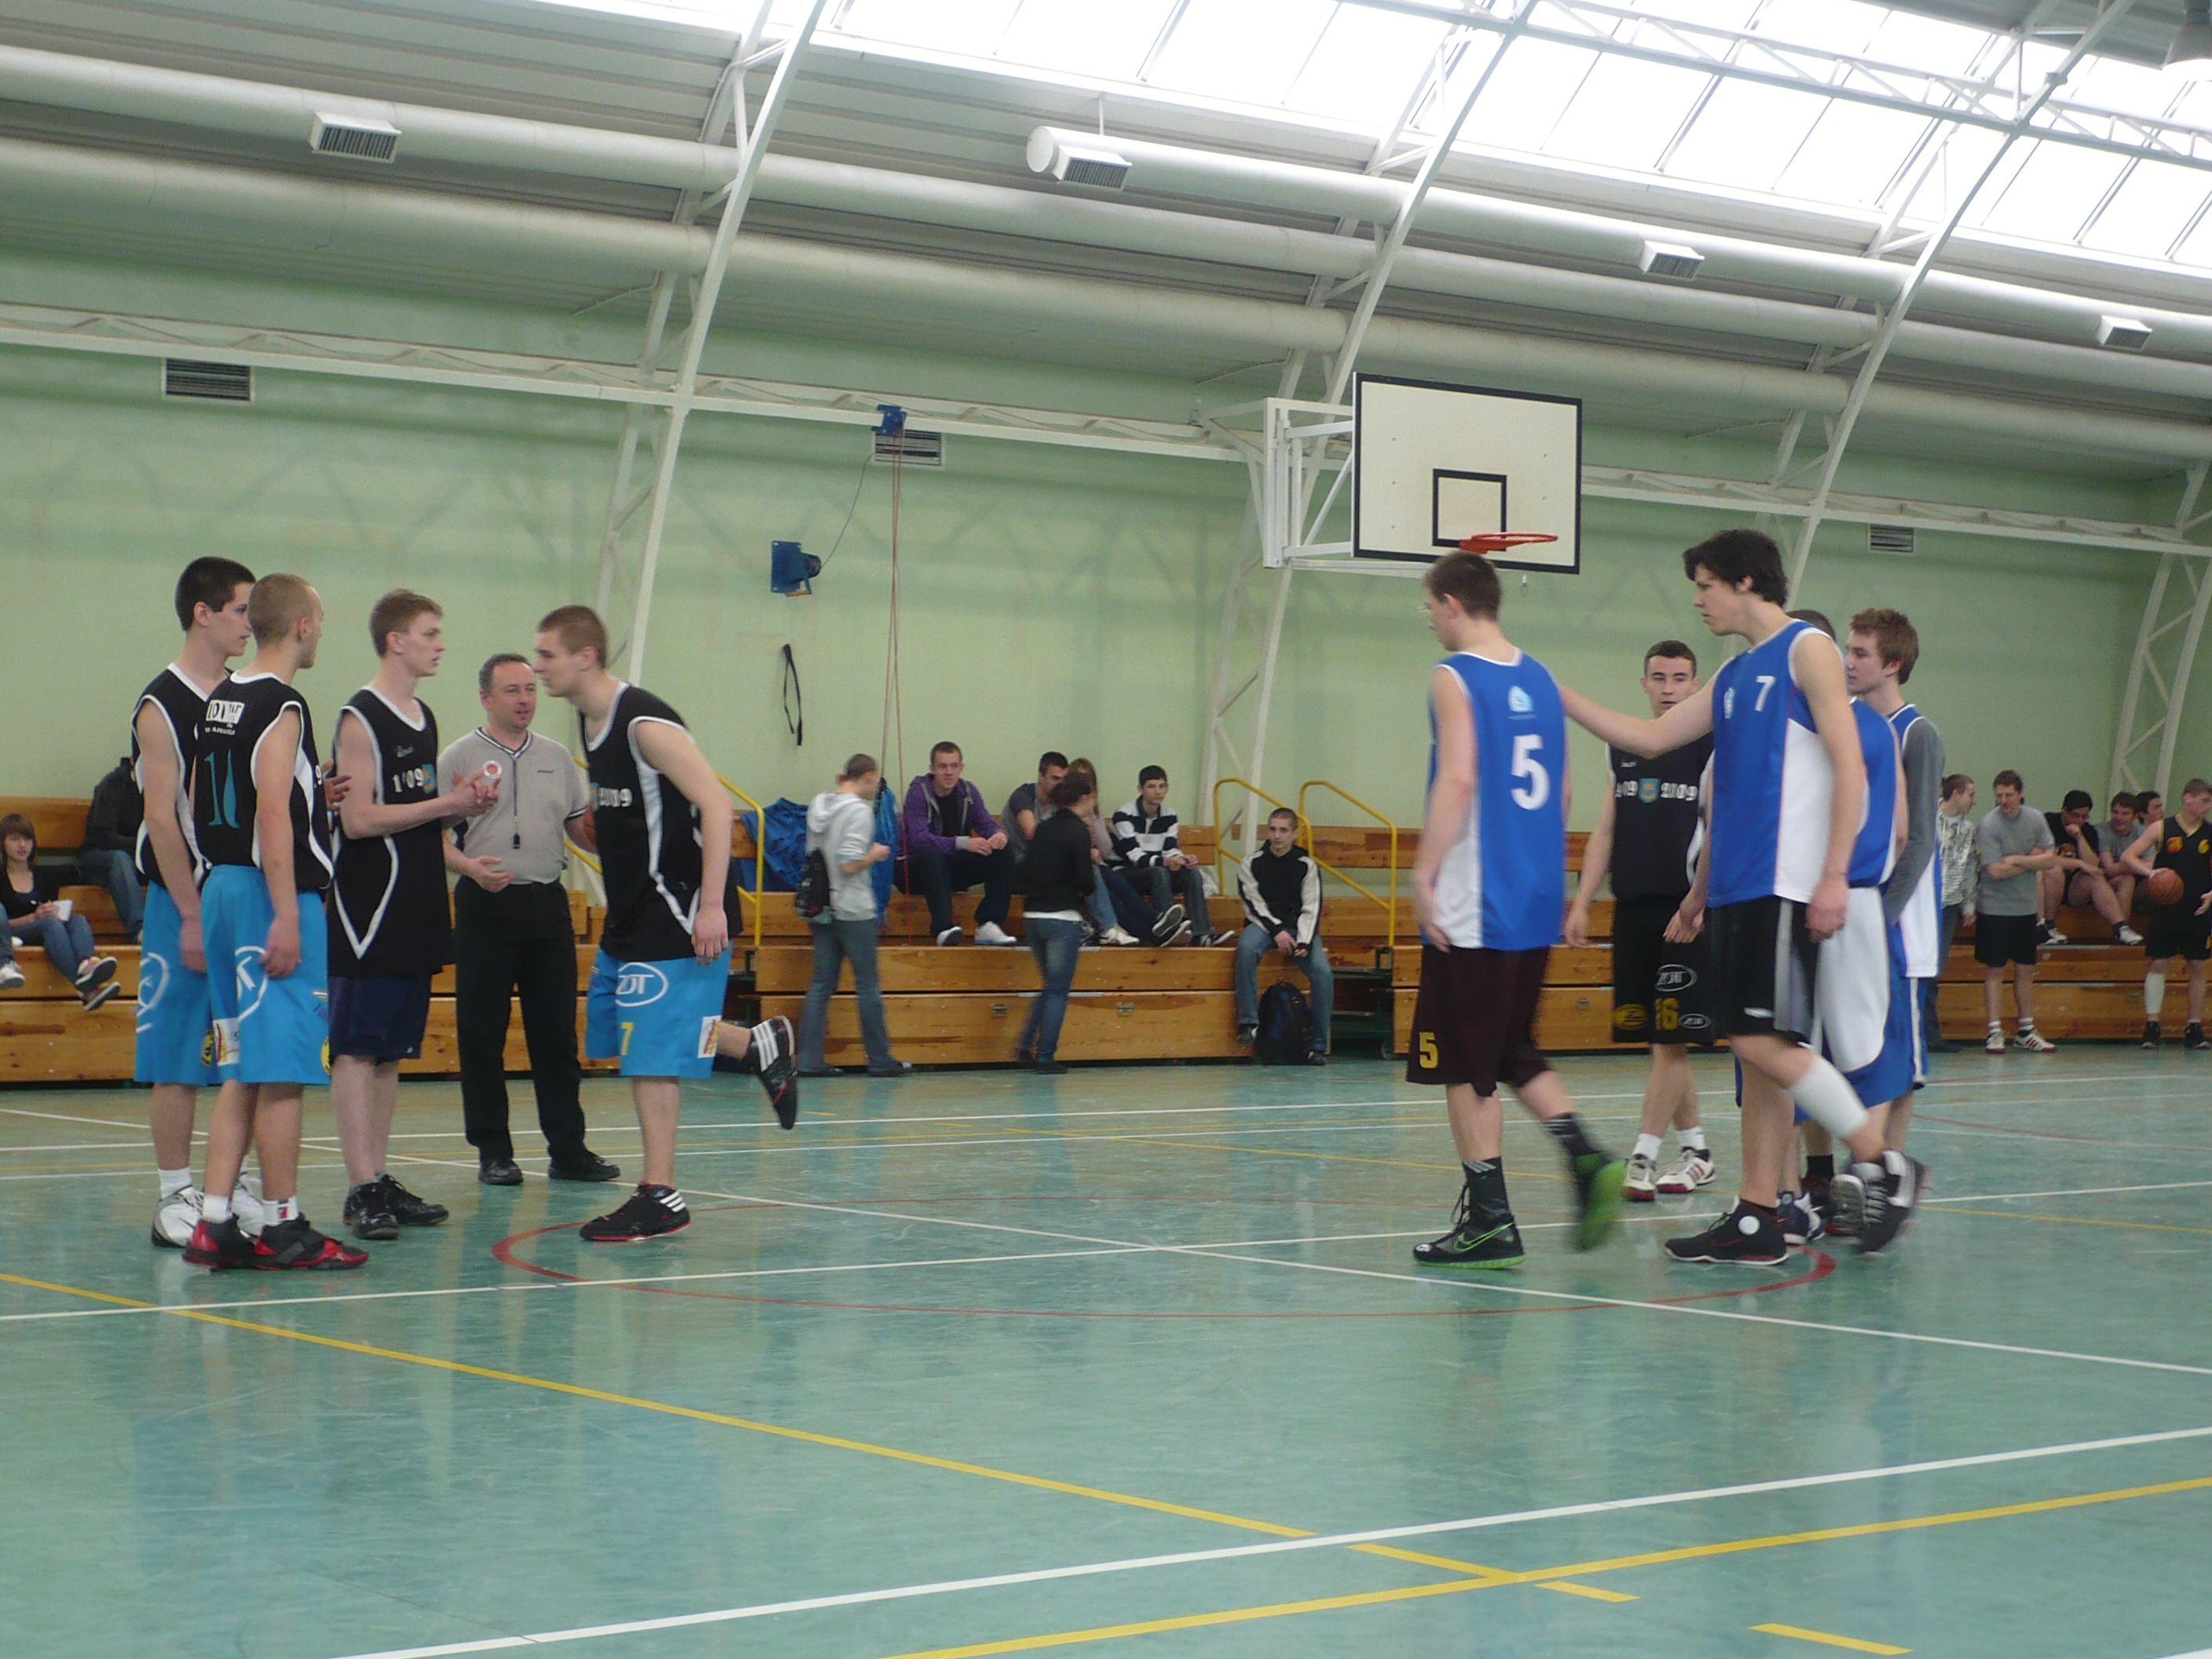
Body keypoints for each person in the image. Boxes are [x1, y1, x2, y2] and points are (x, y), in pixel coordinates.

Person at [1559, 529, 1927, 1261]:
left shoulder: (1805, 650)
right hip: (1735, 888)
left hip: (1785, 885)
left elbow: (1849, 765)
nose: (1699, 600)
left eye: (1706, 585)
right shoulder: (1733, 674)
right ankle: (1759, 1214)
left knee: (1762, 1040)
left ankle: (1882, 1160)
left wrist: (1832, 874)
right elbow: (1649, 738)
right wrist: (1557, 693)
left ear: (1746, 582)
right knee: (1757, 1056)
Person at [533, 605, 798, 1242]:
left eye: (547, 655)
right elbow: (643, 814)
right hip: (630, 907)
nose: (539, 667)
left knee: (651, 1051)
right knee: (640, 1031)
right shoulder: (588, 722)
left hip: (677, 907)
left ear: (585, 656)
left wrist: (711, 906)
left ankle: (661, 1195)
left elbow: (716, 805)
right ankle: (755, 1045)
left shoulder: (645, 724)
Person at [1406, 551, 1625, 1268]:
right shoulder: (1541, 678)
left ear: (1451, 603)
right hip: (1533, 896)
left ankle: (1490, 1222)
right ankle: (1585, 1155)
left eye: (1430, 606)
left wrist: (1424, 874)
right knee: (1510, 1051)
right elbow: (1563, 794)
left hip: (1476, 898)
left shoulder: (1454, 676)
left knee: (1463, 1066)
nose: (1429, 620)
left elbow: (1459, 778)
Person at [181, 574, 364, 1270]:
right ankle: (284, 1224)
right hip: (268, 894)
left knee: (242, 1064)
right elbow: (269, 813)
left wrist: (310, 790)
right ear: (303, 627)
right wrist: (288, 913)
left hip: (222, 887)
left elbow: (201, 796)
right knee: (284, 1069)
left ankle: (215, 1220)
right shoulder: (283, 704)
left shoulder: (221, 699)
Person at [328, 591, 500, 1240]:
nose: (440, 644)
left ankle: (378, 1175)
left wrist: (462, 804)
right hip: (369, 906)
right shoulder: (360, 717)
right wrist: (444, 805)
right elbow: (358, 819)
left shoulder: (423, 716)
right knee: (356, 1048)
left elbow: (419, 811)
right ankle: (359, 1188)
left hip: (419, 899)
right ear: (396, 640)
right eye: (429, 633)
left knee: (392, 1051)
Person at [442, 652, 617, 1186]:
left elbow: (578, 827)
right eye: (512, 690)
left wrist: (611, 833)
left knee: (556, 1035)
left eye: (530, 689)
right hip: (484, 906)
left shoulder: (558, 757)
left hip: (546, 905)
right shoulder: (459, 756)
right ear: (486, 698)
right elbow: (430, 836)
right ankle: (493, 1151)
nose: (524, 700)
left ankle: (569, 1149)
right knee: (482, 1035)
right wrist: (469, 869)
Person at [134, 555, 263, 1249]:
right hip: (182, 897)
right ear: (203, 614)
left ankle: (225, 1183)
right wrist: (188, 914)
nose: (251, 622)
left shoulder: (246, 696)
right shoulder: (162, 705)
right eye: (242, 609)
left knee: (238, 1049)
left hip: (238, 896)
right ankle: (173, 1191)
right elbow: (161, 818)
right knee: (178, 1050)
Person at [1565, 639, 1715, 1202]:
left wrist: (1698, 903)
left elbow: (1718, 827)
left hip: (1686, 911)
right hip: (1633, 908)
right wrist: (1582, 901)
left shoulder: (1709, 747)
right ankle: (1697, 1151)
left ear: (1695, 685)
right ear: (1644, 683)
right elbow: (1606, 829)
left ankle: (1644, 1154)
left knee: (1671, 1042)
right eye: (1659, 678)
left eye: (1680, 678)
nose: (1669, 688)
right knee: (1660, 1043)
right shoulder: (1622, 746)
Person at [1846, 607, 1945, 1152]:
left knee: (1899, 1060)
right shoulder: (1850, 725)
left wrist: (1881, 916)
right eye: (1849, 650)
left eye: (1860, 653)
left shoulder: (1917, 734)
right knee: (1856, 1051)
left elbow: (1921, 839)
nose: (1848, 661)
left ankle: (1890, 1169)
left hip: (1901, 923)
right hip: (1857, 913)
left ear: (1893, 664)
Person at [798, 753, 911, 1079]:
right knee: (868, 986)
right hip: (853, 907)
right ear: (869, 777)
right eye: (876, 782)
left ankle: (808, 1060)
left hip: (821, 905)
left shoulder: (819, 804)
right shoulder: (859, 812)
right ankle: (879, 1059)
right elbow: (849, 863)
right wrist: (874, 854)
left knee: (821, 985)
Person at [1016, 771, 1097, 1074]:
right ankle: (1045, 1055)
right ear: (1084, 797)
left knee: (1050, 987)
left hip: (1033, 916)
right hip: (1062, 918)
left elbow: (1026, 872)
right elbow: (1086, 881)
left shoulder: (1044, 828)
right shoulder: (1078, 832)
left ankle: (1025, 1046)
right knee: (1058, 990)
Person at [1235, 808, 1329, 1064]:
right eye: (1273, 829)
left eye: (1283, 830)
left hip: (1299, 927)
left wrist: (1305, 941)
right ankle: (1249, 1022)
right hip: (1263, 926)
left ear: (1294, 834)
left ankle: (1318, 1046)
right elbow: (1253, 904)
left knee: (1322, 973)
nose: (1277, 836)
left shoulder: (1306, 865)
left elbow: (1312, 906)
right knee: (1246, 948)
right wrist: (1277, 931)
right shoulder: (1251, 863)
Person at [1975, 771, 2060, 1054]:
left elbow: (2050, 860)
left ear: (2020, 794)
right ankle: (1994, 1031)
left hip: (2026, 909)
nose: (2003, 800)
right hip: (1994, 908)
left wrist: (2016, 859)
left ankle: (2026, 1030)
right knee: (1995, 971)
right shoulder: (1988, 824)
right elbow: (1995, 871)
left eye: (2009, 795)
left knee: (2025, 969)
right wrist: (2031, 861)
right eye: (1999, 795)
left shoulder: (2035, 819)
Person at [901, 742, 1016, 946]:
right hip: (915, 872)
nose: (949, 772)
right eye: (942, 766)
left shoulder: (967, 792)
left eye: (954, 766)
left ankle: (988, 924)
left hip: (949, 870)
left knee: (1004, 851)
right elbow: (918, 840)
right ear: (932, 769)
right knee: (931, 855)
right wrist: (962, 843)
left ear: (961, 768)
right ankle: (944, 929)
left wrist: (998, 834)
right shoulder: (918, 792)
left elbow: (985, 823)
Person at [2, 815, 119, 1011]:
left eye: (27, 839)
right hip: (13, 935)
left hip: (46, 930)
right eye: (14, 839)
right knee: (50, 924)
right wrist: (35, 917)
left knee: (77, 919)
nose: (22, 845)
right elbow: (2, 925)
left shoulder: (44, 875)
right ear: (3, 844)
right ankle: (85, 987)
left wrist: (54, 913)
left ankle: (87, 965)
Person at [2128, 778, 2212, 1050]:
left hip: (2199, 908)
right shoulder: (2162, 828)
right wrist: (2151, 873)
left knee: (2198, 966)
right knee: (2159, 963)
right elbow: (2129, 856)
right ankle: (2152, 1025)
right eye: (2204, 801)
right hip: (2167, 909)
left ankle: (2194, 1026)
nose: (2208, 807)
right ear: (2188, 799)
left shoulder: (2209, 832)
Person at [1111, 767, 1224, 946]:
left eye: (1162, 786)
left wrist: (1182, 859)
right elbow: (1135, 856)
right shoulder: (1123, 814)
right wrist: (1165, 861)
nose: (1158, 792)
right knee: (1159, 871)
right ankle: (1171, 929)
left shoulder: (1170, 814)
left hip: (1156, 872)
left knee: (1191, 872)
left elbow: (1170, 849)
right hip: (1126, 873)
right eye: (1151, 787)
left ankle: (1202, 934)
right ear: (1140, 789)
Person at [2040, 789, 2141, 946]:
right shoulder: (2047, 823)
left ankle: (2121, 927)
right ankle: (2049, 926)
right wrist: (2079, 863)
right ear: (2064, 810)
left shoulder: (2088, 831)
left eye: (2084, 816)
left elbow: (2092, 864)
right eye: (2076, 815)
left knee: (2095, 876)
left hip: (2074, 888)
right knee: (2054, 870)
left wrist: (2079, 837)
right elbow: (2044, 859)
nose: (2079, 820)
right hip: (2047, 883)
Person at [1931, 773, 1979, 1055]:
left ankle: (1930, 1034)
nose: (1975, 801)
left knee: (1935, 970)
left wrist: (1968, 906)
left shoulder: (1967, 830)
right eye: (1971, 794)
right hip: (1924, 903)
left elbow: (1969, 867)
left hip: (1949, 905)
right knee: (1917, 969)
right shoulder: (1928, 819)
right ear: (1956, 794)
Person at [79, 756, 147, 943]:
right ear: (133, 761)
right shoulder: (112, 785)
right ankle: (140, 930)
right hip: (99, 858)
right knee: (119, 859)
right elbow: (103, 837)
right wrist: (144, 845)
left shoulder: (161, 788)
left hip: (140, 860)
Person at [2100, 791, 2141, 916]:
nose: (2119, 818)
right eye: (2115, 812)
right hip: (2104, 883)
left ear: (2135, 816)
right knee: (2127, 879)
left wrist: (2127, 866)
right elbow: (2110, 870)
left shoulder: (2143, 832)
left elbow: (2152, 864)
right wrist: (2138, 865)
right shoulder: (2101, 831)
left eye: (2125, 814)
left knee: (2163, 882)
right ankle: (2123, 926)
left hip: (2137, 881)